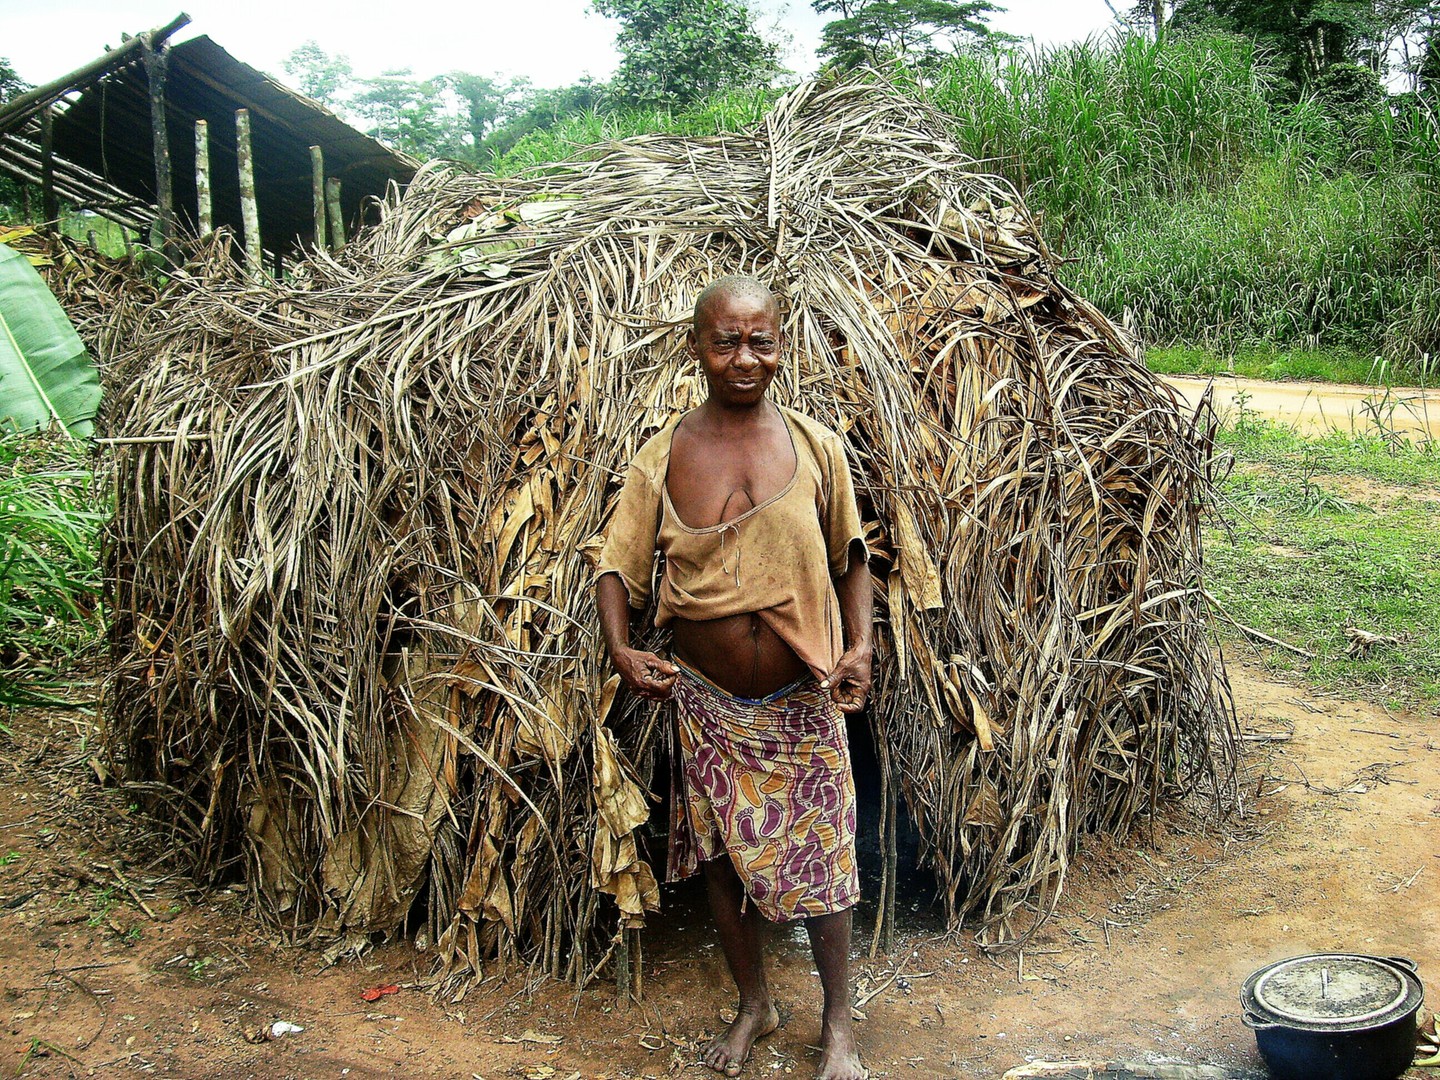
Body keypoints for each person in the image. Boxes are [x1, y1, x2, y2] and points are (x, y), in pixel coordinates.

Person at [595, 275, 872, 1080]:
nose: (744, 358)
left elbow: (852, 556)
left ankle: (838, 1025)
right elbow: (617, 564)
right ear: (697, 347)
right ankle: (755, 1002)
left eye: (761, 340)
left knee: (825, 861)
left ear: (782, 345)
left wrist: (859, 646)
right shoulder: (666, 454)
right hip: (707, 706)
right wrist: (620, 647)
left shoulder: (816, 447)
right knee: (719, 861)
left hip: (801, 701)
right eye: (726, 340)